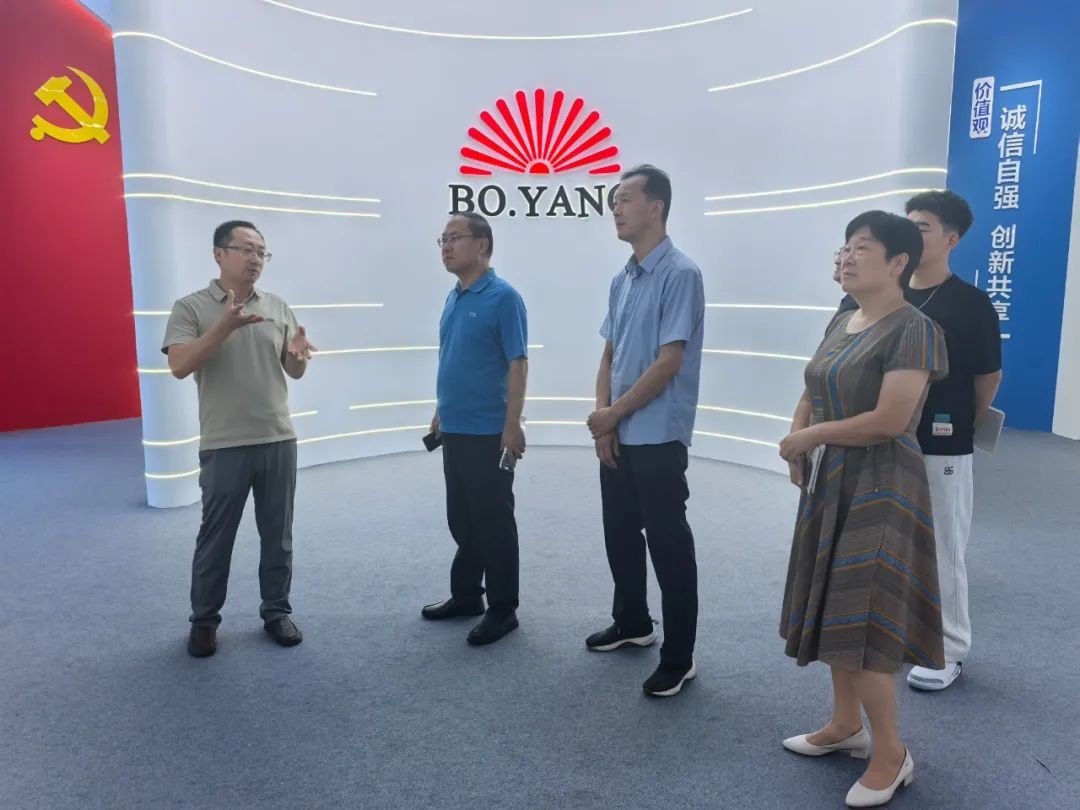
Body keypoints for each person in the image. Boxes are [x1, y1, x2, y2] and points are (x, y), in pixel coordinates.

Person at [778, 211, 948, 808]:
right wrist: (798, 436)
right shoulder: (843, 317)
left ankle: (891, 753)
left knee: (865, 615)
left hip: (881, 484)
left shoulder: (915, 329)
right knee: (834, 604)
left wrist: (810, 437)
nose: (846, 257)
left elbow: (890, 419)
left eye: (862, 247)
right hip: (832, 479)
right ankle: (845, 724)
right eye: (845, 247)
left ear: (899, 262)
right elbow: (813, 386)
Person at [163, 220, 316, 658]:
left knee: (278, 536)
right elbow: (179, 366)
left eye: (261, 252)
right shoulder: (190, 307)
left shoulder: (277, 306)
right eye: (246, 249)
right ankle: (204, 621)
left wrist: (298, 355)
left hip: (278, 437)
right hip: (224, 443)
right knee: (216, 538)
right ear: (218, 254)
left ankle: (276, 611)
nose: (255, 259)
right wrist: (224, 326)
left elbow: (294, 370)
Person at [585, 165, 705, 698]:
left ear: (656, 207)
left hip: (657, 435)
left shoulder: (681, 273)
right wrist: (603, 420)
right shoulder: (623, 279)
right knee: (619, 534)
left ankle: (679, 657)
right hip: (618, 432)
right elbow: (608, 356)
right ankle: (632, 622)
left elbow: (669, 362)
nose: (615, 208)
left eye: (625, 199)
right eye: (614, 200)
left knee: (668, 545)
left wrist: (613, 415)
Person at [903, 190, 1002, 691]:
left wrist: (960, 421)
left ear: (951, 239)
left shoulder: (971, 303)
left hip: (942, 441)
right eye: (907, 224)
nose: (910, 234)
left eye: (922, 227)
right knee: (890, 540)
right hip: (882, 439)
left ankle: (948, 648)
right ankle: (901, 633)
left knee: (942, 544)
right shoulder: (884, 292)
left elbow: (987, 378)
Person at [421, 212, 528, 646]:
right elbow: (452, 357)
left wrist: (512, 425)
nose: (446, 246)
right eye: (442, 239)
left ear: (482, 244)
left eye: (454, 238)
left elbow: (518, 362)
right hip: (455, 427)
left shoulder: (504, 298)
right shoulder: (454, 297)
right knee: (462, 518)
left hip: (488, 432)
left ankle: (503, 609)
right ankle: (467, 596)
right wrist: (440, 410)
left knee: (493, 522)